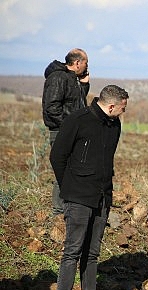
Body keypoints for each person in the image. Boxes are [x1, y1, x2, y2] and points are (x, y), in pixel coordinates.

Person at [49, 85, 129, 290]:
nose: (124, 112)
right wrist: (71, 188)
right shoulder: (78, 120)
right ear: (112, 105)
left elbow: (107, 161)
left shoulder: (114, 125)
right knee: (71, 253)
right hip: (78, 197)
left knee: (91, 255)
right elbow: (57, 156)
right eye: (123, 108)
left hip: (102, 198)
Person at [42, 48, 90, 215]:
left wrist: (84, 85)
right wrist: (69, 127)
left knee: (73, 168)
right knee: (62, 169)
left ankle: (70, 207)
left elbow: (76, 104)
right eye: (85, 63)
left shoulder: (72, 78)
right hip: (62, 132)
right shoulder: (58, 78)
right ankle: (59, 211)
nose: (87, 66)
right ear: (77, 63)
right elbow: (51, 108)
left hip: (71, 131)